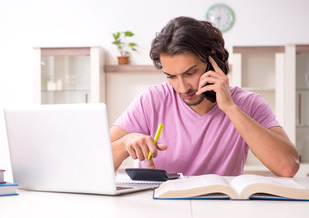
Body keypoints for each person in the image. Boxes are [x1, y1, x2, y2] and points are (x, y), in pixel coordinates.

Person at [110, 16, 299, 177]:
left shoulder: (248, 104)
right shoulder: (152, 100)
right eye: (171, 76)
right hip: (163, 212)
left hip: (220, 214)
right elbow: (94, 160)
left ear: (213, 60)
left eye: (190, 73)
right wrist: (124, 143)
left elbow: (288, 167)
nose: (182, 88)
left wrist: (230, 108)